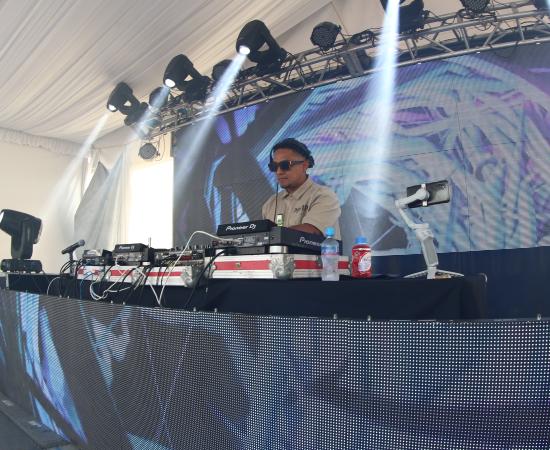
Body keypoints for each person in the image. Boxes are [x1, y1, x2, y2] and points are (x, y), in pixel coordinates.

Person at [262, 138, 341, 239]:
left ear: (304, 165)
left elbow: (311, 232)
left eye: (285, 165)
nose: (279, 172)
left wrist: (270, 235)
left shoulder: (324, 196)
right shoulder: (270, 204)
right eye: (274, 166)